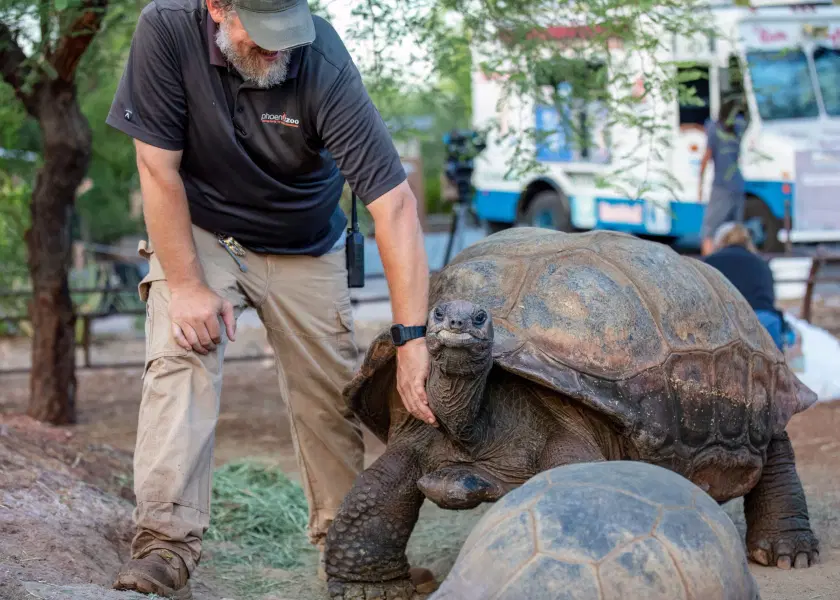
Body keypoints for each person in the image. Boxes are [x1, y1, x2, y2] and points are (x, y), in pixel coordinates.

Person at [105, 0, 438, 596]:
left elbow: (395, 208)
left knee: (330, 391)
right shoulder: (166, 29)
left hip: (303, 240)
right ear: (216, 8)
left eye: (287, 33)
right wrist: (183, 286)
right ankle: (164, 546)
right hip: (202, 230)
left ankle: (348, 557)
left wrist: (412, 340)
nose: (277, 48)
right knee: (183, 355)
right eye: (260, 35)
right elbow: (156, 169)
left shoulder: (323, 61)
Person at [703, 222, 786, 350]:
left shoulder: (711, 262)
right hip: (765, 325)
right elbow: (769, 300)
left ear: (719, 241)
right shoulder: (761, 263)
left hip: (728, 327)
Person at [698, 98, 747, 256]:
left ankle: (708, 270)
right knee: (735, 231)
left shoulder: (714, 128)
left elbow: (707, 157)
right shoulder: (739, 128)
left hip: (721, 185)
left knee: (708, 231)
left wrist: (699, 185)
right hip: (738, 184)